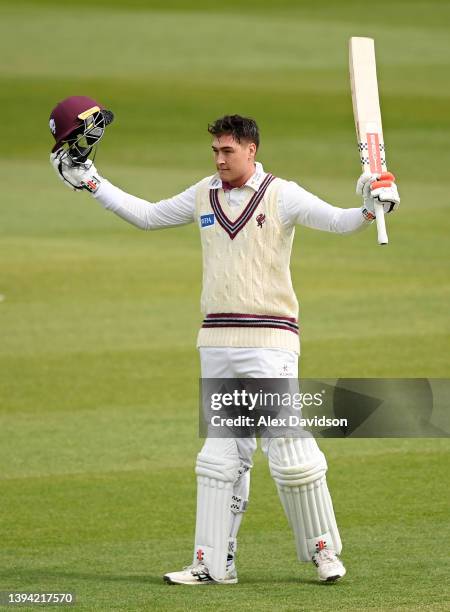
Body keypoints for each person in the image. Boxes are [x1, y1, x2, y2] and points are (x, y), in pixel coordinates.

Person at [49, 97, 400, 585]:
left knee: (289, 454)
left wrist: (368, 207)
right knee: (220, 459)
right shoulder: (203, 194)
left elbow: (338, 221)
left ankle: (324, 553)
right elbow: (148, 215)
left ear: (252, 150)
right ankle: (214, 565)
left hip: (271, 340)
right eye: (215, 149)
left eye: (228, 150)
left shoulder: (283, 194)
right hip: (216, 339)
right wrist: (92, 182)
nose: (219, 159)